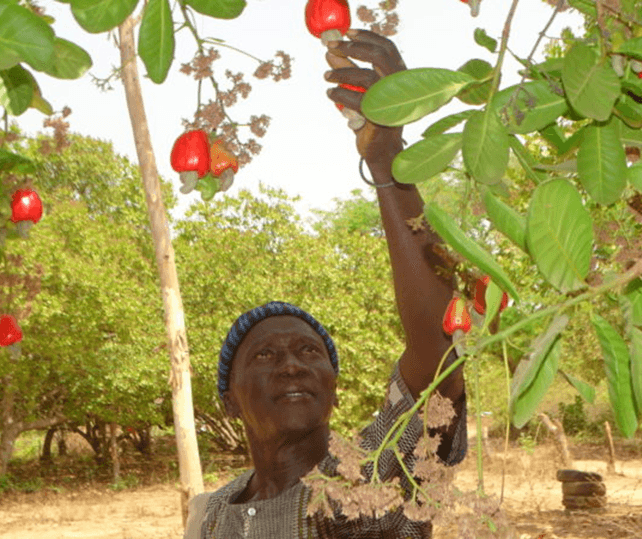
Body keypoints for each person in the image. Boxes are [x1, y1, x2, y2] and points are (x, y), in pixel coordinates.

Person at [184, 30, 468, 539]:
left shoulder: (373, 476)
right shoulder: (210, 514)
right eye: (265, 357)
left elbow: (438, 342)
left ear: (333, 390)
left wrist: (388, 164)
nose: (293, 364)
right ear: (229, 399)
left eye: (311, 353)